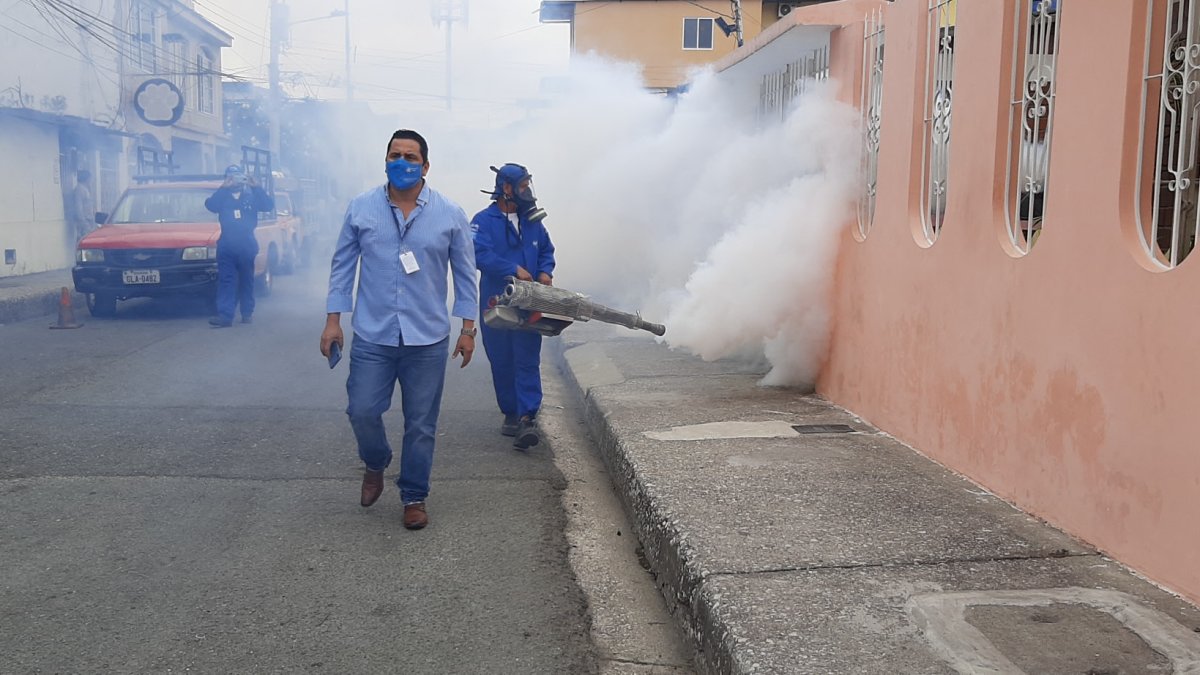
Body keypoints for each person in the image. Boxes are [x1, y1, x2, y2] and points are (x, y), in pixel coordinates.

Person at [320, 129, 478, 531]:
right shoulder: (361, 208)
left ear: (425, 166)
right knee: (361, 410)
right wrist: (334, 320)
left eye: (411, 157)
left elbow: (465, 274)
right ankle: (375, 462)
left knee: (421, 424)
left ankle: (414, 496)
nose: (402, 163)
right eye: (395, 155)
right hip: (373, 334)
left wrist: (468, 328)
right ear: (386, 160)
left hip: (427, 339)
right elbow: (342, 266)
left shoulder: (449, 213)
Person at [470, 163, 556, 451]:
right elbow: (479, 254)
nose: (527, 191)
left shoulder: (532, 221)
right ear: (506, 188)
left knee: (527, 357)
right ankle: (510, 411)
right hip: (497, 302)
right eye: (522, 186)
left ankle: (527, 417)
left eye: (528, 185)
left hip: (529, 302)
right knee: (501, 358)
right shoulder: (483, 221)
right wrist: (512, 269)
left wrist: (544, 271)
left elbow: (546, 249)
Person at [205, 165, 274, 327]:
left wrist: (257, 187)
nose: (234, 181)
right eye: (231, 178)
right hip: (227, 244)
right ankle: (225, 316)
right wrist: (223, 188)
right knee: (226, 280)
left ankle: (247, 313)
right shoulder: (222, 197)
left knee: (246, 280)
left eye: (237, 177)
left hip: (246, 244)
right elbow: (211, 206)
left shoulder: (251, 196)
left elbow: (268, 206)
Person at [70, 170, 96, 242]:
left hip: (89, 220)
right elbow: (78, 207)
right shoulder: (79, 189)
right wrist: (84, 223)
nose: (91, 180)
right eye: (90, 178)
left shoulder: (85, 189)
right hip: (84, 222)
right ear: (86, 178)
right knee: (84, 241)